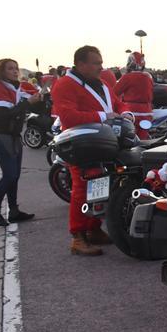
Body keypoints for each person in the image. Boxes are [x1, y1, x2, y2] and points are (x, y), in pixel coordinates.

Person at [51, 46, 126, 255]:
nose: (101, 67)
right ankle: (77, 236)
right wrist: (105, 116)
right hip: (81, 144)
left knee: (101, 185)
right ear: (81, 64)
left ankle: (93, 228)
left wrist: (126, 112)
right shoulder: (65, 85)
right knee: (82, 189)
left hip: (103, 141)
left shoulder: (101, 83)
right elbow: (68, 117)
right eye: (96, 63)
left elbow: (116, 104)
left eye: (101, 62)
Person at [0, 59, 40, 226]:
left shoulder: (15, 87)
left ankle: (13, 211)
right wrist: (27, 103)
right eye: (10, 69)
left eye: (16, 68)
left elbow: (25, 106)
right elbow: (5, 114)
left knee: (15, 176)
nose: (15, 71)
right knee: (10, 175)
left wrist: (39, 98)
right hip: (2, 134)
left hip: (14, 135)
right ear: (1, 71)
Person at [114, 52, 154, 139]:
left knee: (130, 139)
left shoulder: (127, 77)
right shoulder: (148, 77)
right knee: (143, 138)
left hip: (132, 112)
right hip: (147, 113)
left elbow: (114, 93)